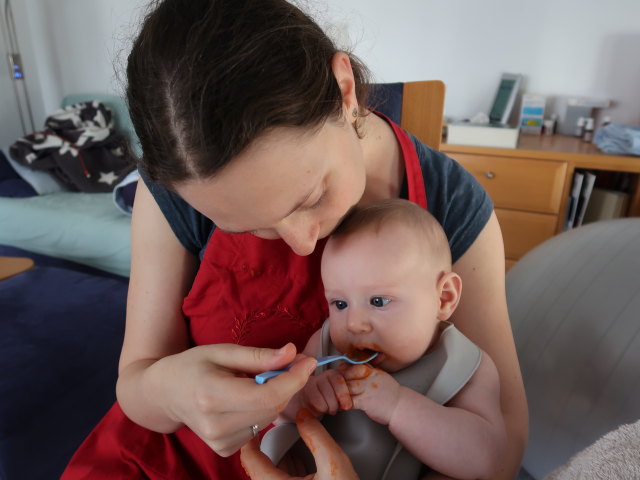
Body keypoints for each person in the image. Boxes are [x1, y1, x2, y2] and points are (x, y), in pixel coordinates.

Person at [61, 0, 527, 478]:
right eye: (248, 228)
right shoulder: (175, 189)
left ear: (344, 89)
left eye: (311, 197)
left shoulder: (452, 204)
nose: (304, 245)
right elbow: (136, 381)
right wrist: (168, 393)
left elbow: (502, 449)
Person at [261, 199, 506, 479]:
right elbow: (279, 407)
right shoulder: (325, 343)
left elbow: (485, 458)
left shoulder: (464, 365)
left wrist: (397, 406)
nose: (354, 323)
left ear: (444, 298)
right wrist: (306, 395)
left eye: (378, 301)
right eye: (340, 304)